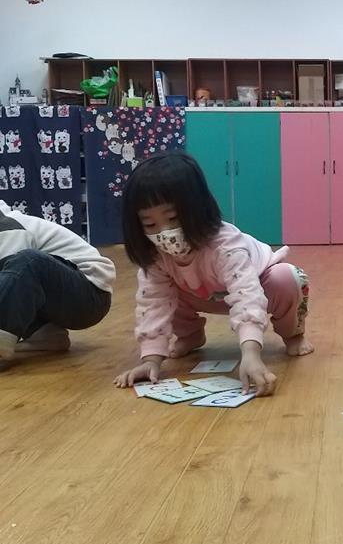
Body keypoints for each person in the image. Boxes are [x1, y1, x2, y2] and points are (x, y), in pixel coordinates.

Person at [114, 152, 313, 394]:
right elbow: (154, 303)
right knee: (163, 292)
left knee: (287, 279)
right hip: (202, 295)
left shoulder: (224, 244)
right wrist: (150, 359)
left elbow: (247, 294)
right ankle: (191, 335)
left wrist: (250, 353)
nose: (164, 232)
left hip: (259, 284)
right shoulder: (155, 255)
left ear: (197, 208)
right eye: (150, 224)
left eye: (173, 218)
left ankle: (292, 335)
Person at [0, 199, 114, 363]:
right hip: (64, 293)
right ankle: (45, 336)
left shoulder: (7, 227)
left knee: (26, 264)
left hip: (90, 293)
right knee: (15, 283)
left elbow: (13, 284)